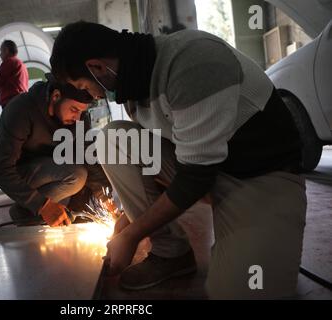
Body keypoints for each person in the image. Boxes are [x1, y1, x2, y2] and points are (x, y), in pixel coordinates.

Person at [50, 21, 305, 299]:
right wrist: (126, 220)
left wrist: (132, 236)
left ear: (97, 67)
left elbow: (195, 178)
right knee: (113, 139)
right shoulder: (133, 86)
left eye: (83, 86)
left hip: (260, 176)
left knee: (241, 291)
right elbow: (173, 159)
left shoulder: (193, 63)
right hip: (208, 171)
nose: (92, 96)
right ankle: (171, 254)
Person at [0, 74, 112, 227]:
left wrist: (106, 200)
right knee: (77, 175)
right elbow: (0, 170)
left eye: (82, 112)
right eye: (74, 109)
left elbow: (88, 158)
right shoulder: (20, 109)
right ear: (56, 96)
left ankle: (41, 210)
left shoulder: (79, 119)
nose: (77, 117)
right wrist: (43, 205)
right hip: (21, 174)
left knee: (86, 179)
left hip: (54, 170)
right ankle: (25, 213)